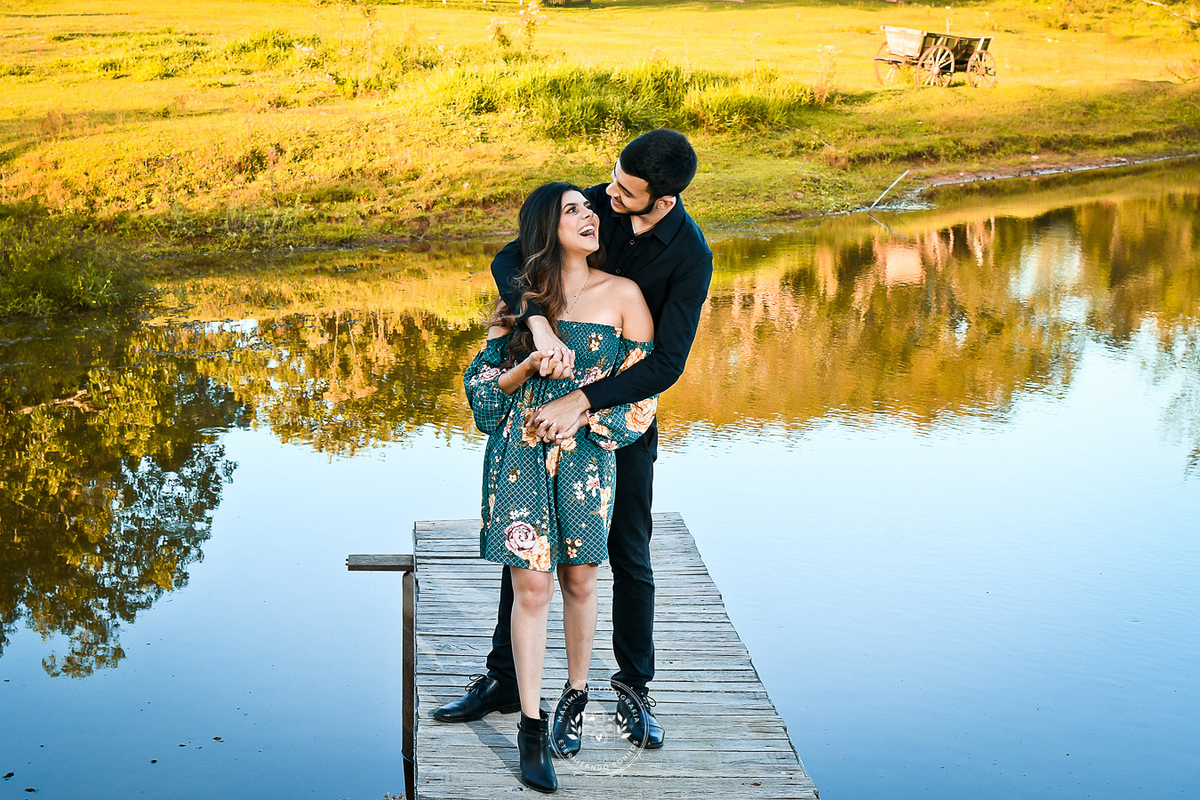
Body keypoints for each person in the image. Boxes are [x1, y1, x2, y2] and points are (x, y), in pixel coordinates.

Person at [435, 129, 713, 753]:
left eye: (624, 191)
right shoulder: (597, 205)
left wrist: (583, 401)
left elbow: (666, 363)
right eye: (610, 179)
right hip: (537, 417)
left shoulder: (690, 258)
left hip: (620, 410)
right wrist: (536, 324)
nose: (607, 195)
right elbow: (511, 260)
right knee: (526, 551)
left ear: (662, 200)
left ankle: (632, 688)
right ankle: (506, 678)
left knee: (629, 549)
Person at [462, 181, 657, 793]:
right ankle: (530, 725)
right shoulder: (520, 303)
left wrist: (583, 417)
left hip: (586, 463)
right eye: (573, 210)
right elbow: (481, 396)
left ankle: (575, 695)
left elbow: (642, 397)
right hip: (518, 461)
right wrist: (525, 366)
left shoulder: (624, 295)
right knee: (531, 588)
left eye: (589, 208)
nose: (589, 215)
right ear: (548, 228)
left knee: (580, 580)